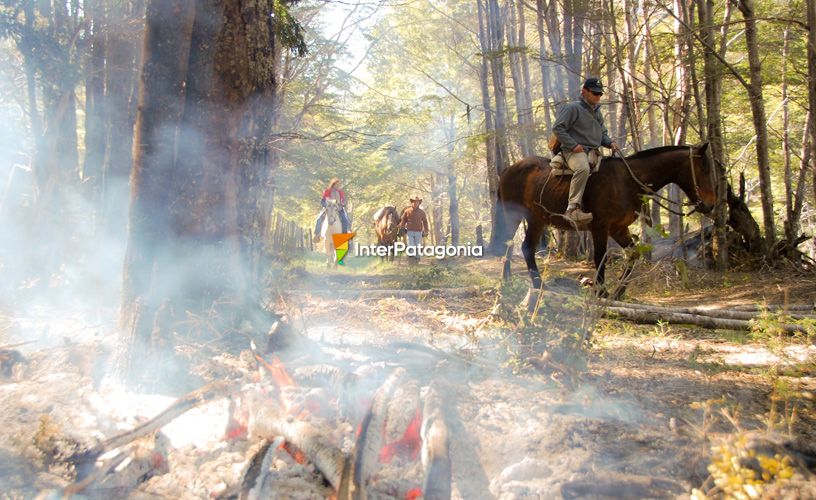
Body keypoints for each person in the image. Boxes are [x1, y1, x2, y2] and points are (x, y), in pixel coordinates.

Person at [551, 77, 619, 223]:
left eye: (600, 94)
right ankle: (572, 209)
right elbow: (558, 128)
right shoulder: (572, 108)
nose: (598, 96)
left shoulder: (597, 112)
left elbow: (602, 135)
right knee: (583, 169)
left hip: (593, 152)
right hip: (574, 152)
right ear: (584, 91)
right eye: (595, 93)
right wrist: (573, 145)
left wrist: (610, 143)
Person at [397, 195, 429, 264]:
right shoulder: (407, 211)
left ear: (419, 203)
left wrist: (426, 230)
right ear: (412, 203)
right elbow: (403, 220)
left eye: (417, 202)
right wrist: (400, 225)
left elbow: (425, 222)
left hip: (419, 232)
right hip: (410, 232)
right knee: (411, 245)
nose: (415, 203)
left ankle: (417, 259)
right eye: (414, 202)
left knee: (418, 246)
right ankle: (411, 260)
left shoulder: (422, 212)